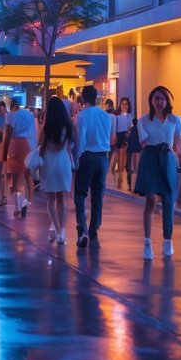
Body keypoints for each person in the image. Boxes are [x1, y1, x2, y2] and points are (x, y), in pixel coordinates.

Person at [136, 86, 181, 260]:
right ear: (151, 100)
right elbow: (143, 143)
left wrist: (179, 161)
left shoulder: (175, 120)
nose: (159, 102)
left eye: (162, 98)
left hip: (168, 158)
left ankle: (167, 240)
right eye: (156, 98)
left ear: (167, 101)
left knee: (169, 201)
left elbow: (179, 143)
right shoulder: (143, 120)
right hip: (150, 158)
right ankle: (147, 243)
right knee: (150, 200)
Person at [74, 86, 114, 246]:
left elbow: (80, 139)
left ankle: (81, 229)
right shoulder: (107, 116)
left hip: (87, 155)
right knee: (98, 194)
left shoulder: (82, 116)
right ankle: (93, 229)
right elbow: (111, 138)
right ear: (96, 97)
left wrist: (77, 160)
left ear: (83, 99)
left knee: (80, 194)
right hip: (103, 156)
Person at [38, 96, 76, 244]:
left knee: (51, 198)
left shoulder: (47, 127)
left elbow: (41, 145)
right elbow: (68, 146)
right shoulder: (68, 126)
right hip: (64, 162)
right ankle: (63, 232)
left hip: (49, 162)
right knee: (62, 198)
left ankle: (58, 229)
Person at [2, 97, 37, 218]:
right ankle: (28, 200)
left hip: (15, 144)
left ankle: (18, 207)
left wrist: (4, 152)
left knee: (16, 178)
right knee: (27, 175)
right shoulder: (30, 115)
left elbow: (7, 133)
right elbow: (33, 132)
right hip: (26, 144)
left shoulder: (11, 116)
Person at [111, 98, 132, 188]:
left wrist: (128, 133)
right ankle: (115, 174)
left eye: (126, 104)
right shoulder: (117, 116)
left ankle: (120, 175)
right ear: (120, 105)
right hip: (118, 136)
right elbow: (115, 127)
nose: (124, 105)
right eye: (123, 104)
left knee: (123, 157)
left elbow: (130, 127)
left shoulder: (129, 116)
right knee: (117, 156)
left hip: (126, 136)